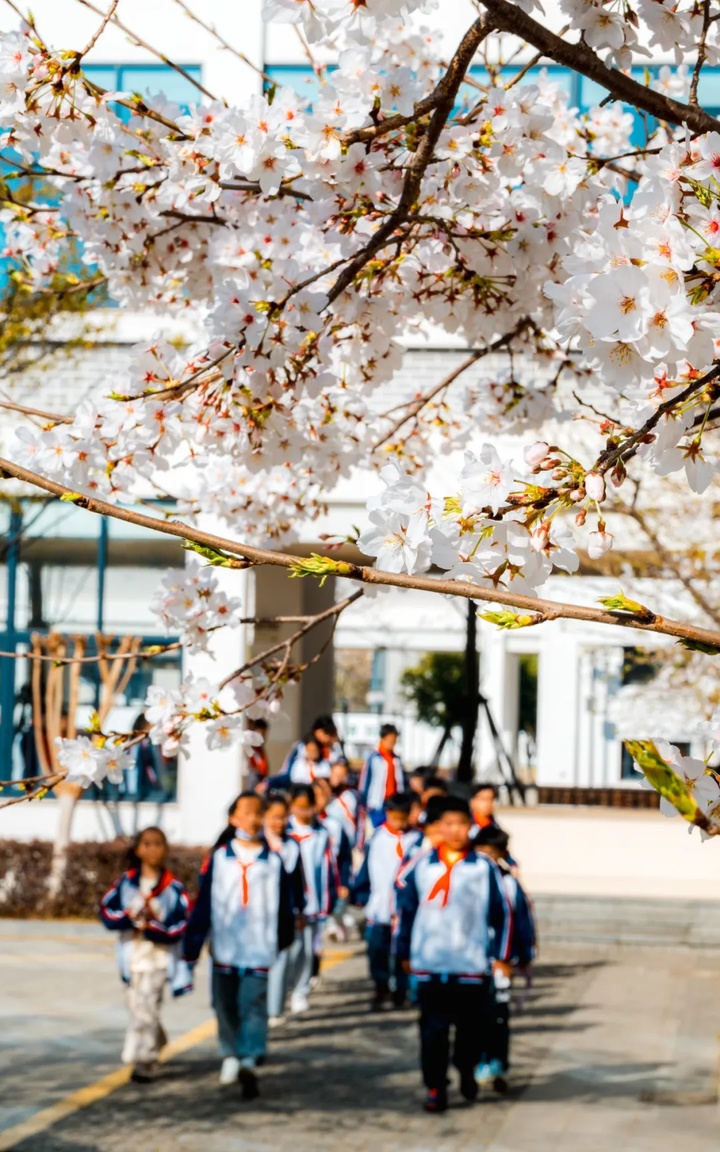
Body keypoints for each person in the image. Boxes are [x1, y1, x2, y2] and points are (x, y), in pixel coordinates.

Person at [394, 796, 511, 1113]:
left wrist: (500, 956)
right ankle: (435, 1086)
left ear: (470, 827)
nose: (455, 830)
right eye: (448, 824)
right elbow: (405, 911)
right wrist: (403, 951)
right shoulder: (421, 865)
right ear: (439, 828)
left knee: (470, 1031)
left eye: (461, 824)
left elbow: (501, 914)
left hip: (470, 964)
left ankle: (466, 1069)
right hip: (431, 964)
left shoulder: (483, 868)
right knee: (432, 1031)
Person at [182, 792, 297, 1098]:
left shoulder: (273, 861)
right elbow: (204, 904)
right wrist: (192, 946)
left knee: (254, 1005)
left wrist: (283, 940)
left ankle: (250, 1055)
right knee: (225, 1005)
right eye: (246, 813)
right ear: (233, 819)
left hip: (259, 946)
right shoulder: (220, 859)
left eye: (259, 813)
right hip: (226, 946)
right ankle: (230, 1053)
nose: (253, 819)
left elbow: (285, 905)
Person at [100, 827, 191, 1084]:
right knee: (136, 1006)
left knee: (147, 1007)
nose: (153, 850)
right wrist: (128, 918)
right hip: (131, 957)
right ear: (138, 849)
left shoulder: (173, 888)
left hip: (158, 957)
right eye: (147, 844)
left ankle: (144, 1059)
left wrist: (153, 927)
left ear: (166, 848)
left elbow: (179, 926)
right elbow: (107, 912)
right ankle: (157, 1039)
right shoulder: (126, 883)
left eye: (158, 844)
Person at [474, 824, 536, 1093]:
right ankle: (475, 1062)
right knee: (473, 1017)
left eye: (492, 852)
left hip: (501, 962)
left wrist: (522, 956)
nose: (487, 857)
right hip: (470, 962)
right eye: (482, 851)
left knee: (498, 1015)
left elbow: (522, 921)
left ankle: (498, 1063)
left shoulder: (509, 883)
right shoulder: (466, 878)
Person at [351, 791, 419, 1010]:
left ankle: (401, 990)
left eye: (402, 817)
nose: (398, 822)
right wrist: (360, 894)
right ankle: (380, 988)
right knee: (377, 951)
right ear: (387, 814)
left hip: (404, 910)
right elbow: (366, 869)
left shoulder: (417, 840)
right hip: (378, 906)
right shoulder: (378, 839)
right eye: (394, 816)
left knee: (401, 952)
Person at [286, 783, 338, 1014]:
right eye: (299, 807)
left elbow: (327, 870)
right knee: (288, 951)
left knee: (307, 951)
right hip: (286, 904)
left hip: (311, 902)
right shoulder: (283, 832)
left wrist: (326, 904)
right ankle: (282, 990)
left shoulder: (321, 834)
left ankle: (300, 991)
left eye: (308, 807)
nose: (303, 812)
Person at [263, 793, 307, 1027]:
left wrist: (300, 909)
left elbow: (298, 879)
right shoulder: (257, 844)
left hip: (284, 912)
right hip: (259, 914)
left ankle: (275, 1008)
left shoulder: (291, 845)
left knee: (282, 959)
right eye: (274, 817)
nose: (279, 822)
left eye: (283, 817)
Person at [359, 723, 404, 831]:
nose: (392, 743)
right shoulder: (374, 758)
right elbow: (365, 781)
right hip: (376, 804)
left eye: (394, 741)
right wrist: (363, 802)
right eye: (390, 740)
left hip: (392, 803)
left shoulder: (395, 759)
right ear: (383, 739)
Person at [282, 715, 347, 782]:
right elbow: (289, 772)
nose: (329, 738)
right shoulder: (302, 746)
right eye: (328, 734)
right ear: (319, 732)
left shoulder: (329, 748)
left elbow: (340, 762)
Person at [469, 782, 517, 869]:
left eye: (491, 799)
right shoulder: (467, 825)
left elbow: (502, 849)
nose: (488, 803)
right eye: (484, 799)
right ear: (473, 801)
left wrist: (513, 865)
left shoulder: (495, 826)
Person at [325, 760, 361, 848]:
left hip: (345, 846)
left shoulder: (350, 797)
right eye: (335, 775)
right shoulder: (324, 794)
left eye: (342, 775)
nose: (338, 778)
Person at [246, 718, 270, 792]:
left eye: (264, 734)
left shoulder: (260, 750)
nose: (263, 737)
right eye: (260, 734)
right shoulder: (248, 749)